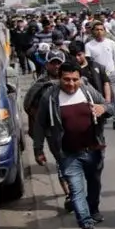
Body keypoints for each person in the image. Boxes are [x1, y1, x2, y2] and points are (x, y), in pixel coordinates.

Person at [33, 61, 114, 229]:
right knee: (76, 190)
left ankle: (93, 210)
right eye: (66, 79)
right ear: (59, 78)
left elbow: (110, 108)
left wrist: (103, 108)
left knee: (94, 185)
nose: (71, 84)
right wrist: (38, 149)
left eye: (75, 80)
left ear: (80, 79)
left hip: (93, 150)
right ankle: (86, 226)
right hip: (67, 154)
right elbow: (39, 124)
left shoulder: (87, 91)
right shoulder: (50, 97)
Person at [23, 49, 74, 211]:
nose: (57, 66)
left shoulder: (74, 80)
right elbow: (28, 105)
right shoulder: (41, 85)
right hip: (54, 133)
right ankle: (70, 195)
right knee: (63, 163)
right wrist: (38, 145)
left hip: (75, 131)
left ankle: (77, 191)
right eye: (53, 62)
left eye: (59, 62)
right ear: (47, 64)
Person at [85, 21, 115, 130]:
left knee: (114, 97)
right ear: (93, 32)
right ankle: (102, 115)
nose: (99, 32)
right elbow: (89, 61)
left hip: (111, 74)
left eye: (101, 29)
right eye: (97, 30)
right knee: (100, 97)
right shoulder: (89, 45)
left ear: (105, 31)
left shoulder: (111, 43)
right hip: (97, 76)